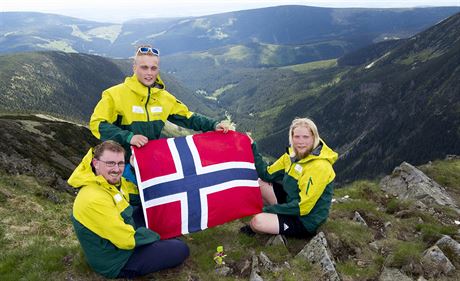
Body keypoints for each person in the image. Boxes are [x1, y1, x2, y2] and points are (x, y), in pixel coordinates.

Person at [68, 140, 189, 279]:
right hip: (115, 259)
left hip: (119, 235)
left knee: (149, 210)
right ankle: (161, 244)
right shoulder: (93, 198)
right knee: (181, 249)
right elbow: (126, 240)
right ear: (96, 163)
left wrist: (133, 167)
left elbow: (141, 196)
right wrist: (156, 236)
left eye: (120, 163)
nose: (116, 169)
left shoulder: (112, 183)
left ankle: (163, 241)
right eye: (110, 163)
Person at [242, 117, 338, 237]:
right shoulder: (291, 156)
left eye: (306, 137)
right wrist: (253, 147)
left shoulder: (320, 166)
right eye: (296, 137)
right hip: (291, 202)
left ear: (314, 138)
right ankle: (274, 220)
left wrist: (268, 210)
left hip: (306, 220)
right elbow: (267, 174)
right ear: (291, 138)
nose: (300, 141)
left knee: (257, 222)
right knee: (258, 184)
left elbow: (303, 207)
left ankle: (269, 224)